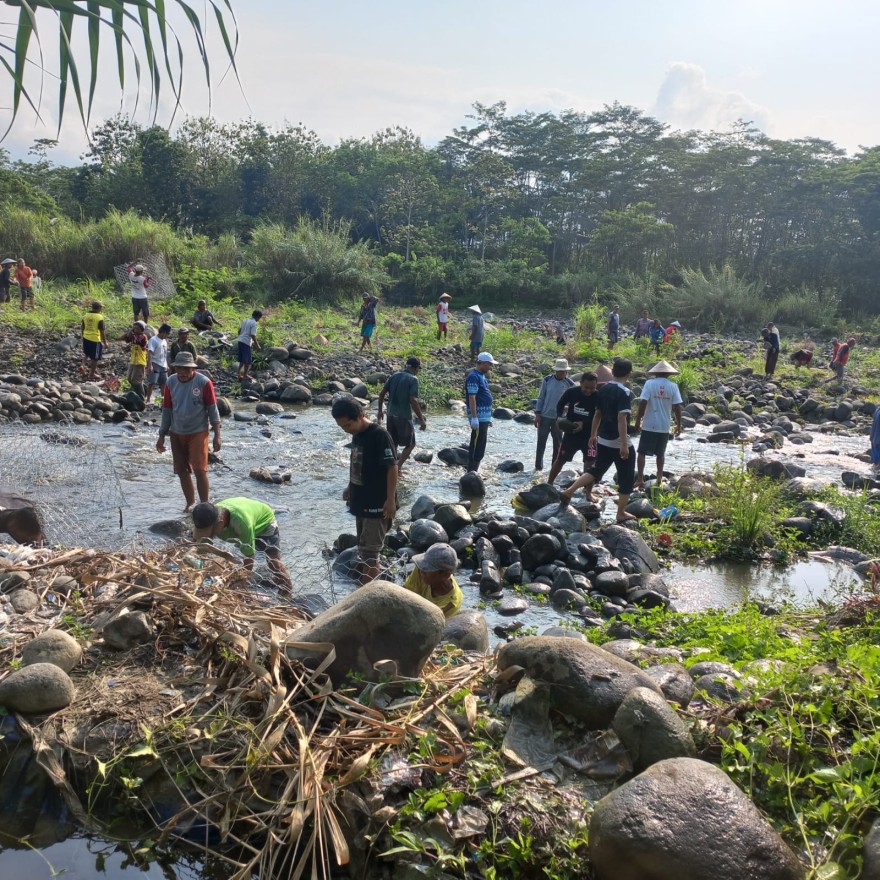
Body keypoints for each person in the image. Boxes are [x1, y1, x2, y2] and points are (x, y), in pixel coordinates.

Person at [559, 359, 637, 524]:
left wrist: (593, 435)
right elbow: (622, 418)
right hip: (617, 440)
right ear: (629, 374)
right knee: (627, 475)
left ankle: (569, 491)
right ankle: (621, 512)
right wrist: (624, 444)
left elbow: (598, 414)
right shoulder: (624, 392)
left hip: (603, 438)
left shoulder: (603, 388)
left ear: (613, 371)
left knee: (597, 469)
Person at [331, 397, 398, 585]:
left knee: (370, 555)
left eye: (347, 425)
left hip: (378, 504)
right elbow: (358, 464)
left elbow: (392, 467)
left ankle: (368, 597)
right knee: (364, 549)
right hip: (361, 501)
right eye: (341, 426)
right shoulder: (357, 434)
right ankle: (367, 592)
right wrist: (350, 486)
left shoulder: (380, 435)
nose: (346, 429)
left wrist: (390, 500)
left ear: (361, 415)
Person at [156, 352, 222, 512]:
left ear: (193, 368)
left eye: (186, 369)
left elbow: (212, 409)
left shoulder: (203, 382)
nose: (183, 373)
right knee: (182, 470)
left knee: (200, 469)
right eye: (179, 369)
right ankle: (190, 503)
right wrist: (161, 435)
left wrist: (217, 435)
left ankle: (205, 504)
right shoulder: (171, 382)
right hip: (176, 432)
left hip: (198, 431)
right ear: (175, 368)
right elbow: (167, 409)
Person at [192, 498, 292, 592]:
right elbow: (202, 544)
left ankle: (287, 590)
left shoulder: (242, 524)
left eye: (210, 532)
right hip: (245, 514)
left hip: (265, 523)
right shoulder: (207, 516)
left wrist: (242, 584)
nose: (208, 535)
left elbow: (249, 557)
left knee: (273, 563)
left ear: (220, 523)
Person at [633, 360, 683, 490]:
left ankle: (640, 480)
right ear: (668, 374)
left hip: (649, 424)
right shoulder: (673, 386)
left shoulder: (650, 383)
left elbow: (643, 402)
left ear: (656, 372)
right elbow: (677, 407)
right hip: (664, 425)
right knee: (660, 454)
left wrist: (638, 420)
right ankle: (659, 478)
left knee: (642, 452)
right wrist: (679, 424)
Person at [546, 371, 599, 486]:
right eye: (586, 387)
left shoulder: (598, 397)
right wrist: (559, 418)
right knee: (560, 460)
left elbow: (601, 417)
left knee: (590, 464)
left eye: (592, 388)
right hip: (571, 434)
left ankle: (588, 492)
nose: (589, 391)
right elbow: (560, 405)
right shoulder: (572, 392)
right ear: (581, 383)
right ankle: (549, 484)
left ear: (596, 385)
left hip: (590, 437)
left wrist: (583, 423)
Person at [378, 356, 426, 473]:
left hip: (390, 415)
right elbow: (413, 400)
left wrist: (380, 410)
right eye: (418, 369)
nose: (418, 371)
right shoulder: (413, 379)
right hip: (403, 416)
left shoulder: (394, 376)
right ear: (415, 368)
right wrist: (421, 419)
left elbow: (381, 394)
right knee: (411, 444)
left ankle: (391, 466)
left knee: (393, 443)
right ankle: (398, 467)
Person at [534, 358, 575, 471]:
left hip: (559, 419)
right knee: (541, 442)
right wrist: (537, 414)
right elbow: (541, 397)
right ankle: (538, 467)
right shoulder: (547, 380)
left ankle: (554, 468)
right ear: (555, 371)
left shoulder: (570, 384)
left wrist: (568, 408)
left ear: (566, 372)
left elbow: (575, 402)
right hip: (544, 415)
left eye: (563, 371)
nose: (561, 373)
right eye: (559, 371)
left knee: (557, 444)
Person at [403, 543, 463, 618]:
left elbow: (429, 621)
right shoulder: (421, 570)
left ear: (445, 575)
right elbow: (405, 594)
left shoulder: (450, 604)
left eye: (427, 569)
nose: (422, 571)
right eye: (423, 565)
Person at [465, 352, 497, 472]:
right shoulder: (473, 376)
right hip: (478, 416)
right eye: (489, 364)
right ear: (482, 363)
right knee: (477, 444)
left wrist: (489, 418)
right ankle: (471, 472)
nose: (490, 367)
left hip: (484, 417)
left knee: (481, 443)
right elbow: (472, 397)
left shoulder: (481, 376)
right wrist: (474, 417)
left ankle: (474, 471)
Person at [121, 320, 149, 399]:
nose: (135, 330)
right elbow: (125, 339)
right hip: (133, 360)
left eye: (137, 329)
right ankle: (144, 389)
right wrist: (131, 330)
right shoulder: (133, 336)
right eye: (134, 329)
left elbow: (139, 341)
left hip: (140, 361)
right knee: (129, 379)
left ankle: (141, 397)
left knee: (136, 380)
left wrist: (133, 333)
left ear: (142, 330)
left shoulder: (143, 337)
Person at [81, 300, 107, 380]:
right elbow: (102, 331)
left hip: (86, 337)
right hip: (95, 339)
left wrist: (83, 336)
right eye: (101, 307)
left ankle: (82, 365)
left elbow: (82, 327)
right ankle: (92, 374)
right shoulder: (99, 317)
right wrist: (105, 342)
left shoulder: (85, 315)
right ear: (98, 308)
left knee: (87, 353)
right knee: (95, 358)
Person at [146, 323, 172, 402]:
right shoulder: (153, 340)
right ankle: (148, 399)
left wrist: (166, 365)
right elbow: (150, 353)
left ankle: (163, 400)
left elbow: (164, 354)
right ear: (164, 332)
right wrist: (150, 365)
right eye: (167, 333)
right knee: (152, 383)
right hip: (155, 363)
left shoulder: (164, 341)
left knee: (164, 383)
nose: (167, 335)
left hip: (163, 364)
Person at [237, 309, 262, 381]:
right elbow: (253, 335)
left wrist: (240, 337)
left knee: (242, 359)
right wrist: (257, 345)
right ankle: (245, 375)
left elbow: (239, 330)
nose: (258, 320)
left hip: (240, 341)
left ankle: (238, 373)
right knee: (247, 360)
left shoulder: (245, 320)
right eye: (259, 318)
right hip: (246, 342)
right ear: (258, 317)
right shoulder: (254, 323)